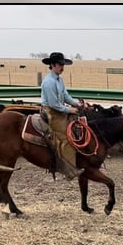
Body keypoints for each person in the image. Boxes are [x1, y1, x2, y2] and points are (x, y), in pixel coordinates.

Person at [40, 51, 84, 180]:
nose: (62, 67)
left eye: (63, 64)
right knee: (66, 138)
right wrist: (69, 110)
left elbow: (65, 95)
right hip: (52, 112)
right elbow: (54, 104)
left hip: (59, 110)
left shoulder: (59, 80)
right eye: (60, 65)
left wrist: (75, 104)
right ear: (53, 65)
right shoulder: (49, 82)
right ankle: (69, 170)